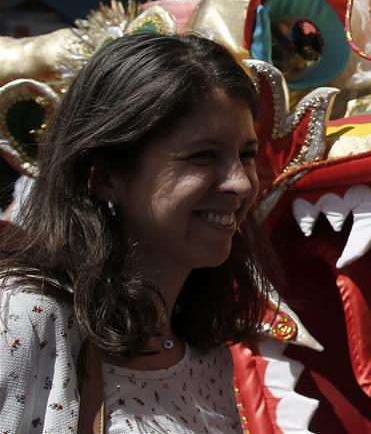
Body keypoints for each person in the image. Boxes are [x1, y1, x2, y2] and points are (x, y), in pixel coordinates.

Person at [0, 34, 278, 432]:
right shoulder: (27, 321)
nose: (240, 183)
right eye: (202, 155)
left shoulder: (210, 359)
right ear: (106, 176)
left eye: (246, 155)